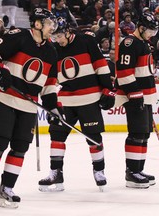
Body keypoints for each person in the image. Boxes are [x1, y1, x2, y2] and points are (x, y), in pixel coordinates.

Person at [0, 8, 59, 209]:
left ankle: (7, 189)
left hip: (28, 105)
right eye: (48, 24)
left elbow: (49, 85)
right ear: (37, 24)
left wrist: (53, 108)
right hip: (4, 98)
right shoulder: (18, 36)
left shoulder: (51, 51)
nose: (52, 28)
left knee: (20, 148)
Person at [38, 17, 115, 192]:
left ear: (68, 31)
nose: (57, 40)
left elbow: (100, 65)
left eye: (59, 36)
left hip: (89, 97)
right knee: (56, 135)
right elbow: (49, 77)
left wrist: (107, 89)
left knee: (93, 136)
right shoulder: (52, 49)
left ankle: (99, 170)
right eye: (54, 37)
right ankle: (56, 173)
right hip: (65, 100)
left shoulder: (86, 40)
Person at [115, 13, 159, 189]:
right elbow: (124, 72)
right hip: (135, 96)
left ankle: (138, 170)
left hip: (146, 96)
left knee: (144, 133)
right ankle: (131, 172)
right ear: (140, 28)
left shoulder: (143, 43)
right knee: (136, 133)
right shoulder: (129, 43)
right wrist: (135, 94)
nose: (151, 34)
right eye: (149, 30)